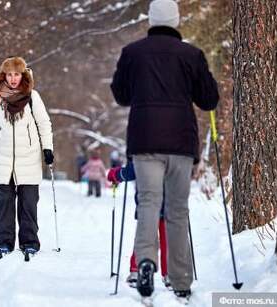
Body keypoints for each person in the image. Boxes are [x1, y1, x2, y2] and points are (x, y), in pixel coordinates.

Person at [110, 0, 219, 300]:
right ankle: (180, 278)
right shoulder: (191, 55)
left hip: (145, 139)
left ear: (151, 19)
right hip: (181, 142)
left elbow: (120, 95)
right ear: (176, 20)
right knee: (177, 210)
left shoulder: (132, 53)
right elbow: (209, 99)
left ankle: (146, 262)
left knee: (148, 202)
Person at [0, 56, 54, 259]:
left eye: (16, 74)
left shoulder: (33, 97)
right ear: (4, 75)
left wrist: (48, 149)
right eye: (9, 74)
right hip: (2, 160)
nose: (12, 79)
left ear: (23, 75)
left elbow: (44, 124)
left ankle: (29, 243)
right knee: (4, 206)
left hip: (29, 159)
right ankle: (4, 243)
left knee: (28, 205)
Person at [106, 161, 170, 289]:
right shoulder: (173, 145)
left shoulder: (141, 144)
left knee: (145, 238)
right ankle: (170, 274)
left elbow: (132, 170)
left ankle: (136, 270)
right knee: (167, 239)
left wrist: (116, 174)